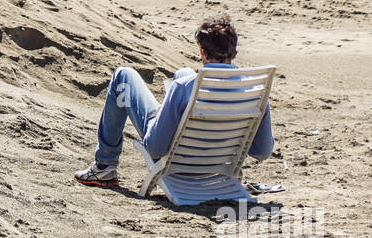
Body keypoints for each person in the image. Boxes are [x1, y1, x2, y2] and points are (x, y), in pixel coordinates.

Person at [74, 15, 273, 187]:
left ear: (202, 52)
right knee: (184, 72)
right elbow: (262, 152)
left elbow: (155, 148)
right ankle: (180, 117)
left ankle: (104, 166)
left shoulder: (183, 88)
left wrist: (164, 113)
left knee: (123, 75)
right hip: (220, 168)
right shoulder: (256, 91)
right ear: (234, 51)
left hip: (179, 165)